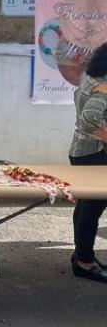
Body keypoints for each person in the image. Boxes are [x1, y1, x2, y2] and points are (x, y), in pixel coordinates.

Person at [68, 41, 107, 283]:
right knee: (92, 207)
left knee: (86, 206)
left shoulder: (91, 80)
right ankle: (85, 261)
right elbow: (90, 119)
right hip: (92, 154)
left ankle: (82, 255)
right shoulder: (104, 87)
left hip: (80, 151)